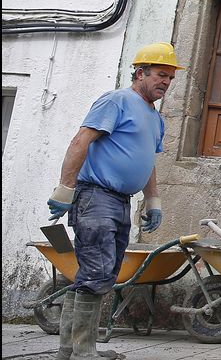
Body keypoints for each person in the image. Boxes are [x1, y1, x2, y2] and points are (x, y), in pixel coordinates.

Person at [46, 42, 182, 360]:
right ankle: (83, 351)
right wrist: (66, 189)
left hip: (120, 201)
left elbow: (146, 160)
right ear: (140, 72)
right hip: (96, 196)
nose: (166, 82)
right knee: (97, 271)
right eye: (161, 74)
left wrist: (154, 200)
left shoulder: (154, 118)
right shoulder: (116, 100)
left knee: (100, 273)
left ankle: (71, 349)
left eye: (171, 78)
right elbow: (81, 140)